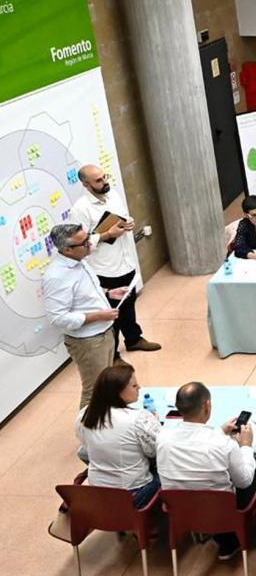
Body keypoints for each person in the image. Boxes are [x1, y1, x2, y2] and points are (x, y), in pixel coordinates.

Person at [156, 381, 256, 559]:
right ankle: (231, 540)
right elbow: (244, 481)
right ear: (207, 405)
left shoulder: (162, 437)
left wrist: (219, 431)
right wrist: (246, 446)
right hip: (220, 511)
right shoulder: (224, 444)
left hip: (180, 511)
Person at [68, 164, 161, 353]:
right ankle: (113, 353)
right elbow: (81, 242)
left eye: (104, 177)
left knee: (129, 304)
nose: (105, 182)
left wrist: (129, 221)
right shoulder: (81, 209)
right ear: (86, 185)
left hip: (126, 261)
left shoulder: (113, 195)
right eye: (98, 180)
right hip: (106, 268)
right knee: (112, 312)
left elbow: (123, 216)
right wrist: (107, 234)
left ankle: (134, 339)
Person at [43, 223, 124, 409]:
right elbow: (58, 318)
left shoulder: (80, 260)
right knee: (94, 391)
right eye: (85, 242)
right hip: (88, 342)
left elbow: (85, 292)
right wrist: (98, 316)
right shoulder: (56, 277)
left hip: (105, 332)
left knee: (108, 384)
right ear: (67, 249)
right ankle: (88, 433)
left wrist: (109, 293)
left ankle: (110, 425)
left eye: (88, 238)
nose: (91, 244)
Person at [75, 363, 161, 508]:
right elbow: (156, 450)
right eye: (134, 386)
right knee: (170, 470)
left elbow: (85, 444)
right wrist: (154, 423)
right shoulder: (139, 418)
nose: (139, 388)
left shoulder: (85, 414)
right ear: (118, 392)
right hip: (134, 493)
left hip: (99, 491)